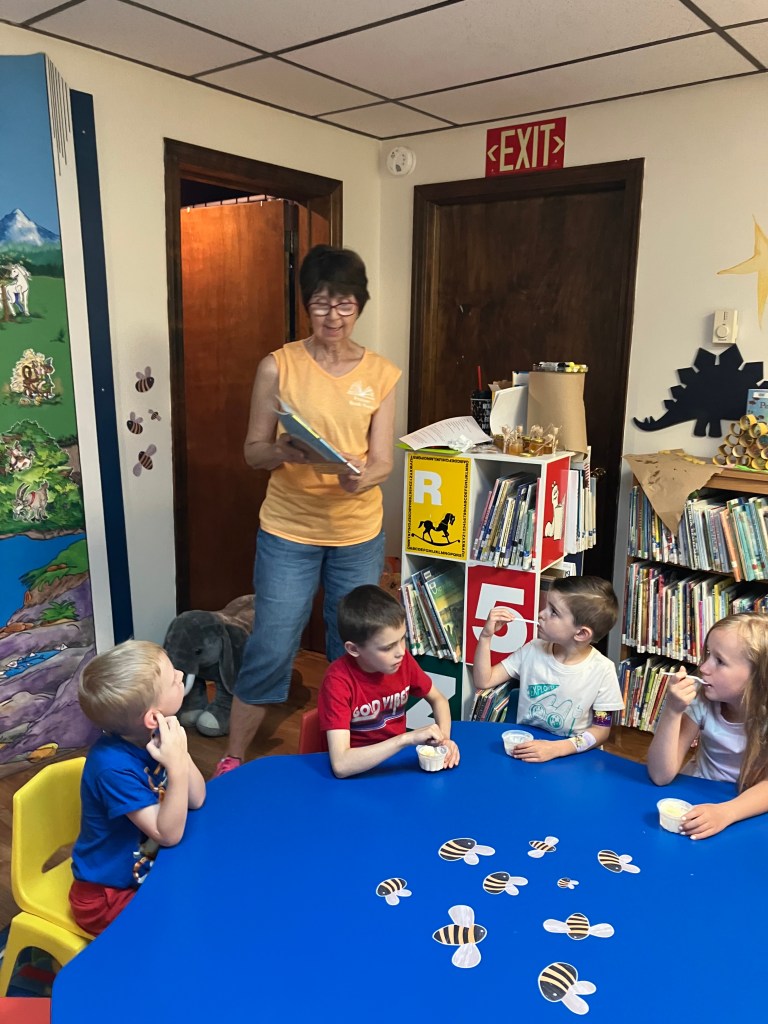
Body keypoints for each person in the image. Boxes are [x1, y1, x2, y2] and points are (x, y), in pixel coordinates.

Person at [214, 245, 401, 777]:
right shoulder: (278, 366)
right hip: (288, 529)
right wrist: (281, 450)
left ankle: (355, 753)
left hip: (357, 530)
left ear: (359, 306)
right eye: (321, 304)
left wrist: (364, 475)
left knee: (358, 646)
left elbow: (384, 460)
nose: (333, 317)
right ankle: (233, 756)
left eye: (345, 305)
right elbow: (253, 452)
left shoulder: (382, 373)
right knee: (273, 641)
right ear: (306, 305)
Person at [68, 641, 206, 935]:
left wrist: (179, 756)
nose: (181, 675)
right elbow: (168, 835)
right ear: (152, 717)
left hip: (147, 872)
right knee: (186, 924)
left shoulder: (157, 735)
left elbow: (197, 798)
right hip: (105, 896)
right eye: (173, 679)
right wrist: (176, 767)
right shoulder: (112, 768)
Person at [646, 612, 768, 840]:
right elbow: (660, 775)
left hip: (748, 807)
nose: (703, 667)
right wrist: (672, 710)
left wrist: (727, 812)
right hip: (697, 792)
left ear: (758, 677)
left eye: (720, 661)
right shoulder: (702, 700)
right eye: (709, 654)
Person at [473, 576, 623, 761]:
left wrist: (557, 749)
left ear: (582, 633)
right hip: (525, 750)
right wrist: (486, 636)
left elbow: (601, 730)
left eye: (554, 612)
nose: (541, 614)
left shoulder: (603, 671)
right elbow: (483, 680)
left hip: (570, 757)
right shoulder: (532, 650)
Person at [317, 585, 460, 778]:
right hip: (357, 774)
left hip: (394, 765)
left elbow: (439, 699)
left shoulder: (403, 661)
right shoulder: (337, 681)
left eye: (402, 639)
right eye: (387, 647)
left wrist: (444, 740)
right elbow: (341, 765)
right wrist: (405, 739)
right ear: (354, 649)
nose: (400, 652)